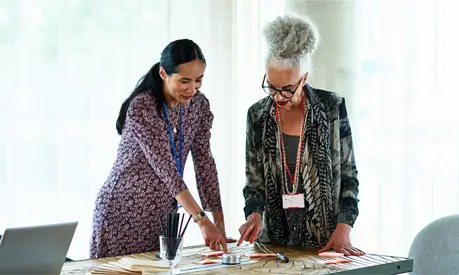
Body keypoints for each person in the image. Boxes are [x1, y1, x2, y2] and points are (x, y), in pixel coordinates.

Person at [237, 15, 364, 256]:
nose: (277, 97)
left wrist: (344, 227)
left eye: (287, 90)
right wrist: (253, 215)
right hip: (273, 243)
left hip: (325, 242)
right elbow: (254, 182)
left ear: (304, 79)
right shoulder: (257, 115)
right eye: (271, 87)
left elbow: (349, 176)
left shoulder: (331, 108)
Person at [90, 39, 229, 258]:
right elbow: (166, 169)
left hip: (162, 218)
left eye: (198, 80)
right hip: (122, 214)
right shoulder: (143, 107)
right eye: (184, 81)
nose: (192, 89)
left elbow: (205, 163)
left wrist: (219, 222)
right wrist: (201, 220)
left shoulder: (199, 106)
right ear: (163, 73)